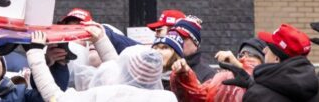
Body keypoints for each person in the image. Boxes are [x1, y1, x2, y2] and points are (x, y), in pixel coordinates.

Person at [27, 31, 177, 101]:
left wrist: (35, 54)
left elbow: (55, 98)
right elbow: (121, 72)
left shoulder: (106, 96)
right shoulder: (166, 98)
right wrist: (101, 40)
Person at [220, 23, 319, 101]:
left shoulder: (257, 95)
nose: (264, 50)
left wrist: (254, 88)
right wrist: (251, 83)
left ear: (277, 58)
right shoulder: (318, 86)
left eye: (269, 47)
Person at [169, 38, 266, 102]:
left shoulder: (267, 84)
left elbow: (255, 77)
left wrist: (238, 65)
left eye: (251, 55)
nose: (244, 58)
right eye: (241, 54)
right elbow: (197, 95)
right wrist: (184, 75)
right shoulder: (223, 77)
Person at [172, 16, 215, 83]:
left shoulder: (208, 74)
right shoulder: (164, 67)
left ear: (195, 44)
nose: (178, 41)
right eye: (175, 38)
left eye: (183, 38)